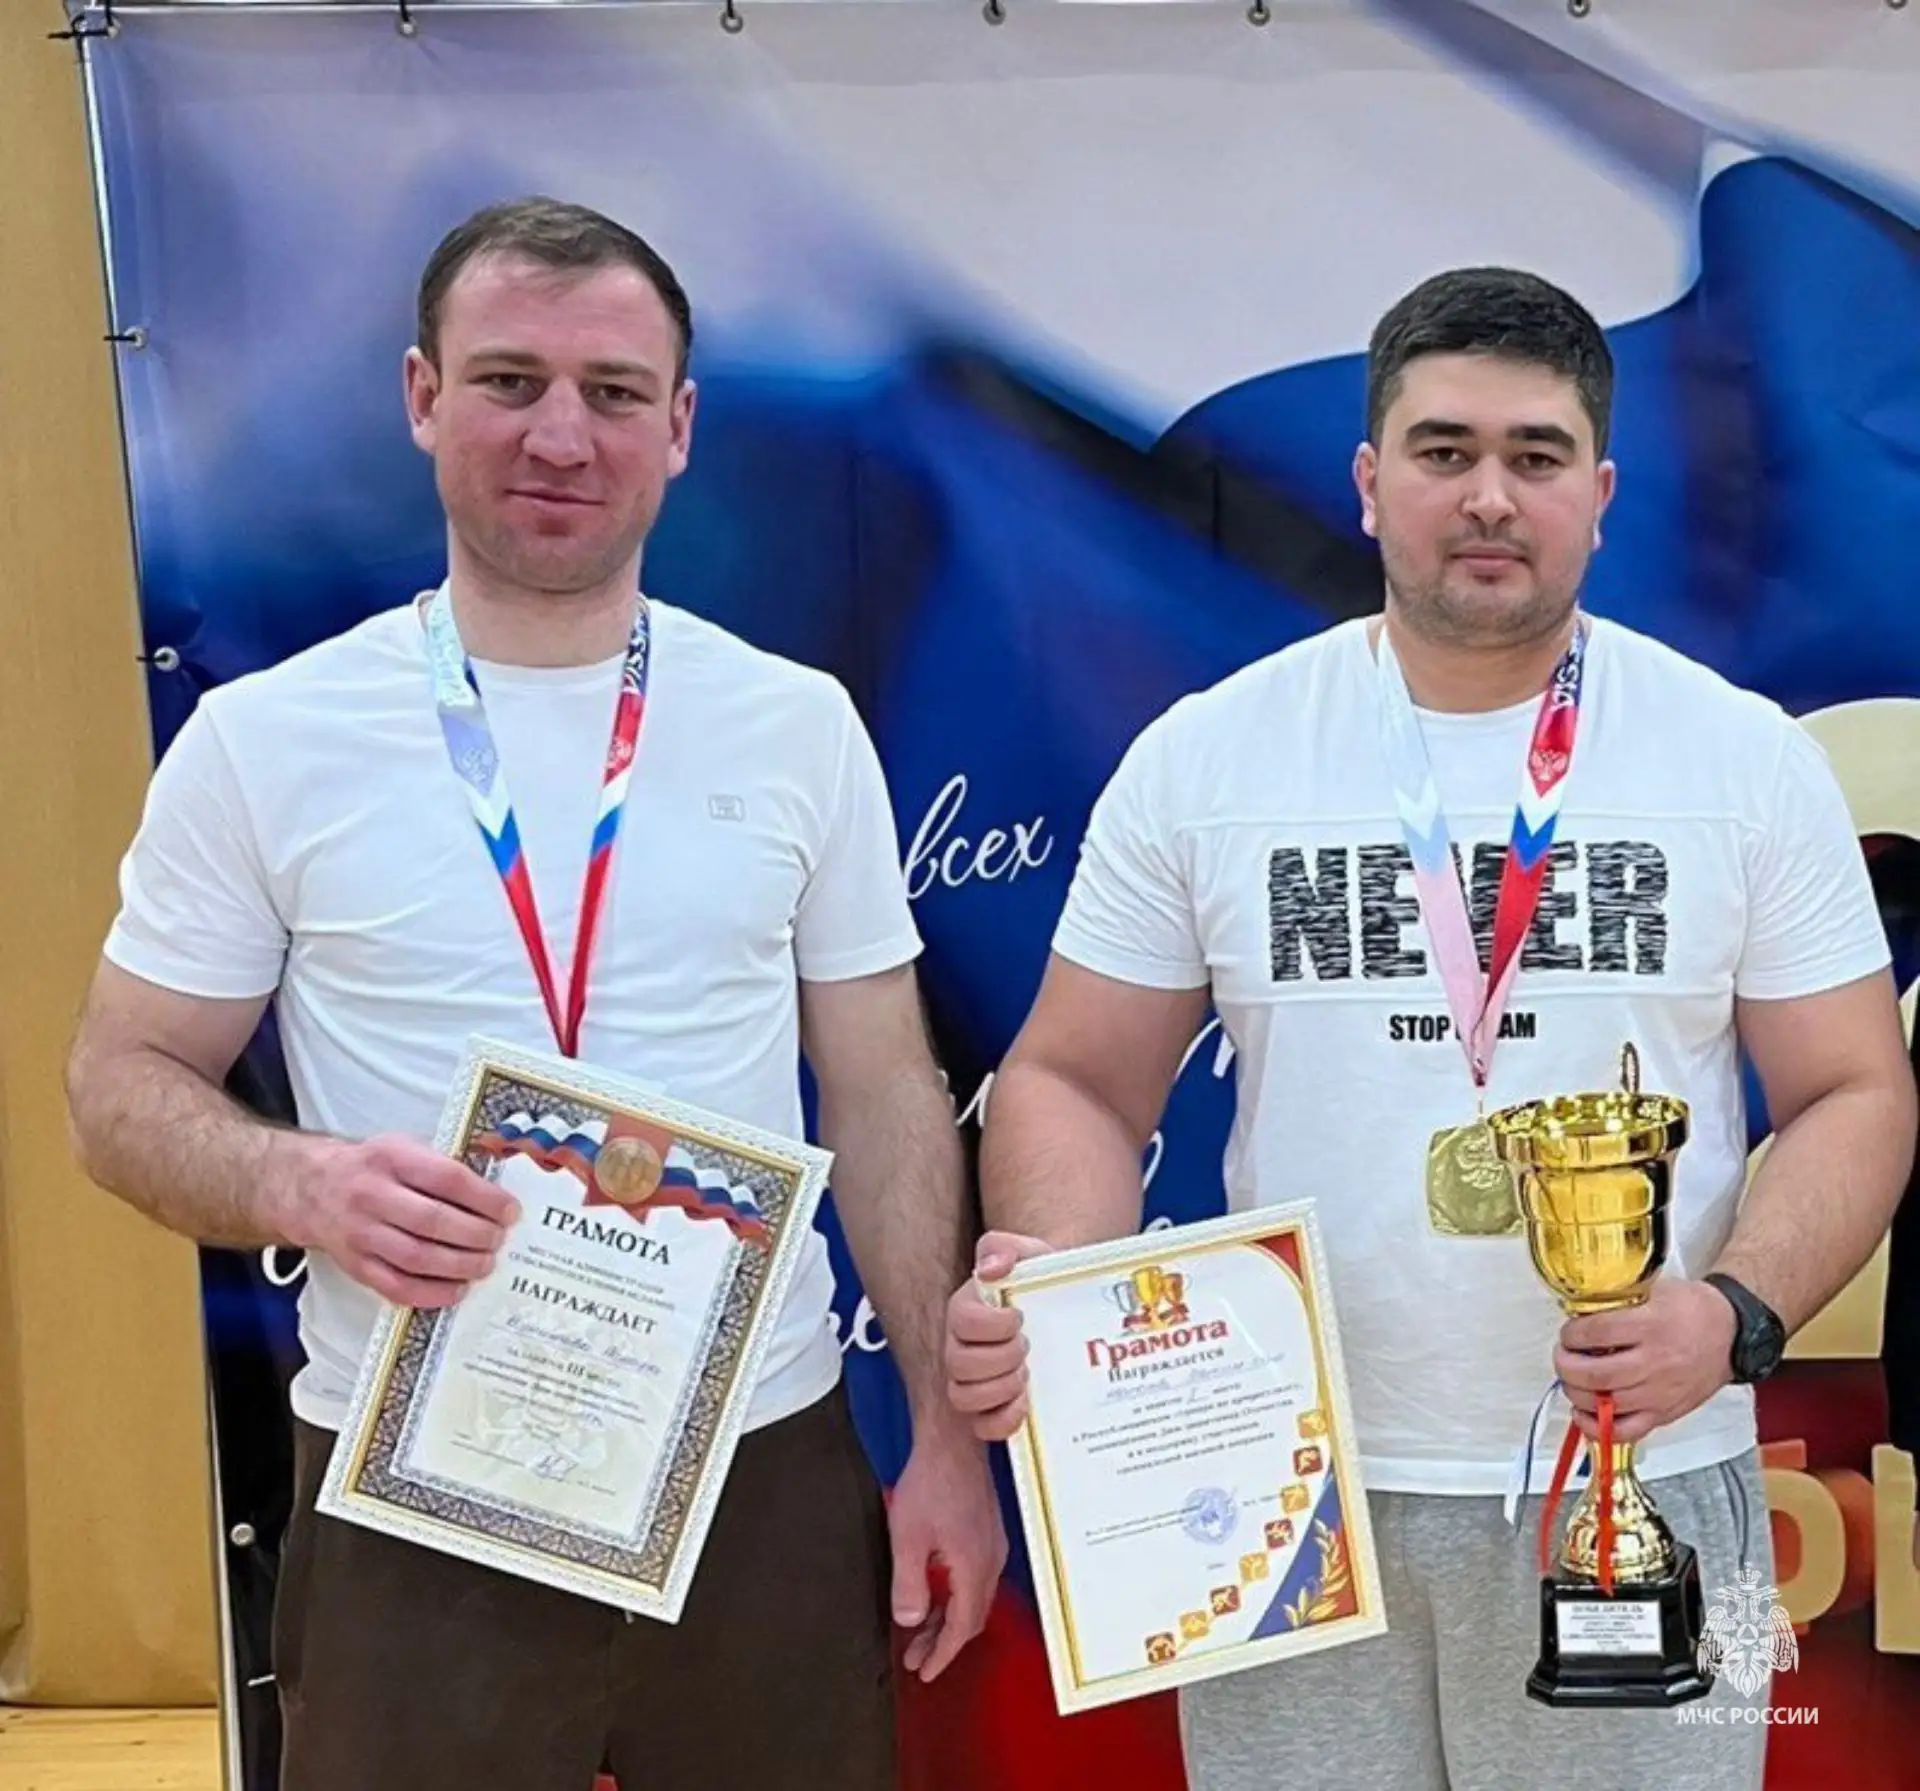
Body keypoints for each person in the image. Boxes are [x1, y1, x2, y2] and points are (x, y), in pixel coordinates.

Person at [65, 195, 1004, 1791]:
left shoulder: (796, 723)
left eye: (612, 392)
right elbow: (118, 1083)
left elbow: (884, 1090)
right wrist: (300, 1181)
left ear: (679, 427)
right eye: (510, 381)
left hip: (757, 1471)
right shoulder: (266, 739)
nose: (561, 435)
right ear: (423, 396)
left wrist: (946, 1444)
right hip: (416, 1481)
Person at [945, 266, 1915, 1790]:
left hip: (1646, 1468)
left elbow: (1855, 1088)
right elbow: (1071, 1074)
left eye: (1536, 456)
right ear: (1367, 482)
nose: (1489, 496)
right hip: (1279, 1492)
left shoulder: (1740, 759)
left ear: (1600, 495)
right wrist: (1067, 1291)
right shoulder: (1211, 755)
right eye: (1443, 450)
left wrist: (1733, 1314)